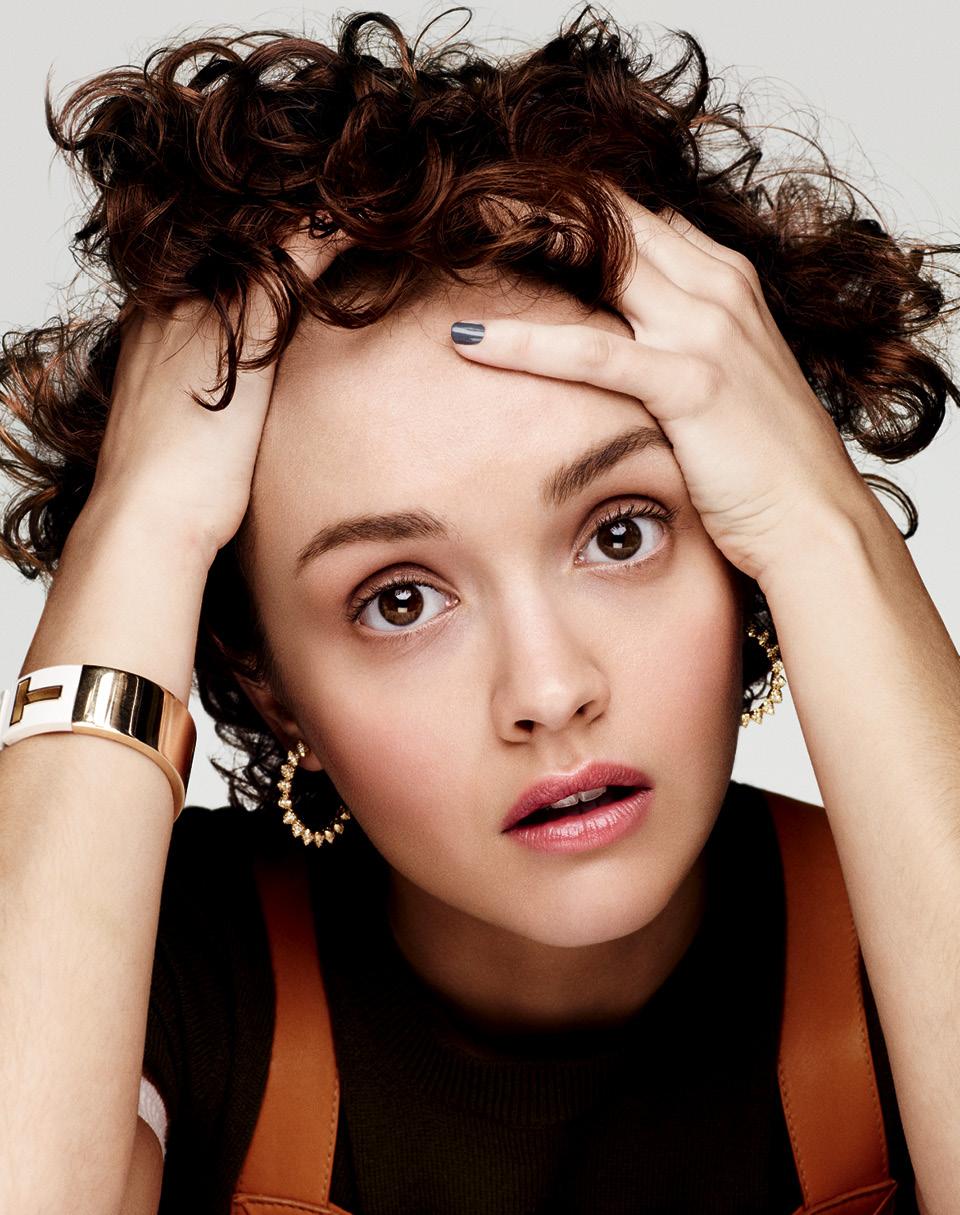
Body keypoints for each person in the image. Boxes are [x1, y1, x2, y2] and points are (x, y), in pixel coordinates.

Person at [1, 7, 958, 1214]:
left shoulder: (902, 919)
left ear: (736, 548)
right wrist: (140, 524)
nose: (549, 691)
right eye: (399, 600)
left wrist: (823, 526)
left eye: (621, 533)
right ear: (267, 683)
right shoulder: (153, 964)